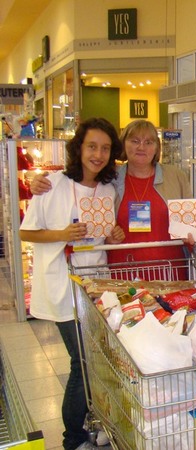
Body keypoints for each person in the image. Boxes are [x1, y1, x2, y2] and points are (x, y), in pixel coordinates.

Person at [20, 118, 125, 450]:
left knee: (99, 360)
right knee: (81, 362)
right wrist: (62, 234)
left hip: (97, 286)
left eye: (105, 148)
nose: (98, 154)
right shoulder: (52, 185)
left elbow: (104, 235)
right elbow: (26, 232)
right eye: (92, 146)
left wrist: (114, 235)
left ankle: (97, 421)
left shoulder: (108, 189)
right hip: (63, 286)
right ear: (78, 148)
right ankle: (73, 439)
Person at [31, 120, 193, 278]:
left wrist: (192, 233)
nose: (141, 147)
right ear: (123, 145)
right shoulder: (109, 178)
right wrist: (40, 183)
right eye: (135, 141)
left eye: (149, 142)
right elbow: (79, 181)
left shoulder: (176, 177)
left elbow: (191, 223)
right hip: (122, 271)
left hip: (169, 269)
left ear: (157, 147)